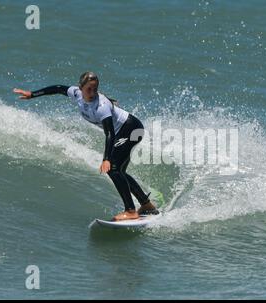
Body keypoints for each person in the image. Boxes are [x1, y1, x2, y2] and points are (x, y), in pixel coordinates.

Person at [13, 72, 158, 221]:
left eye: (95, 89)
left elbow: (110, 134)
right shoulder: (76, 93)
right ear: (80, 87)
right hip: (124, 131)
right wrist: (32, 94)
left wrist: (106, 159)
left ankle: (130, 210)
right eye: (89, 89)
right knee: (119, 171)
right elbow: (57, 88)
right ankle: (146, 205)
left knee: (113, 168)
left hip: (131, 129)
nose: (92, 92)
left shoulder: (101, 106)